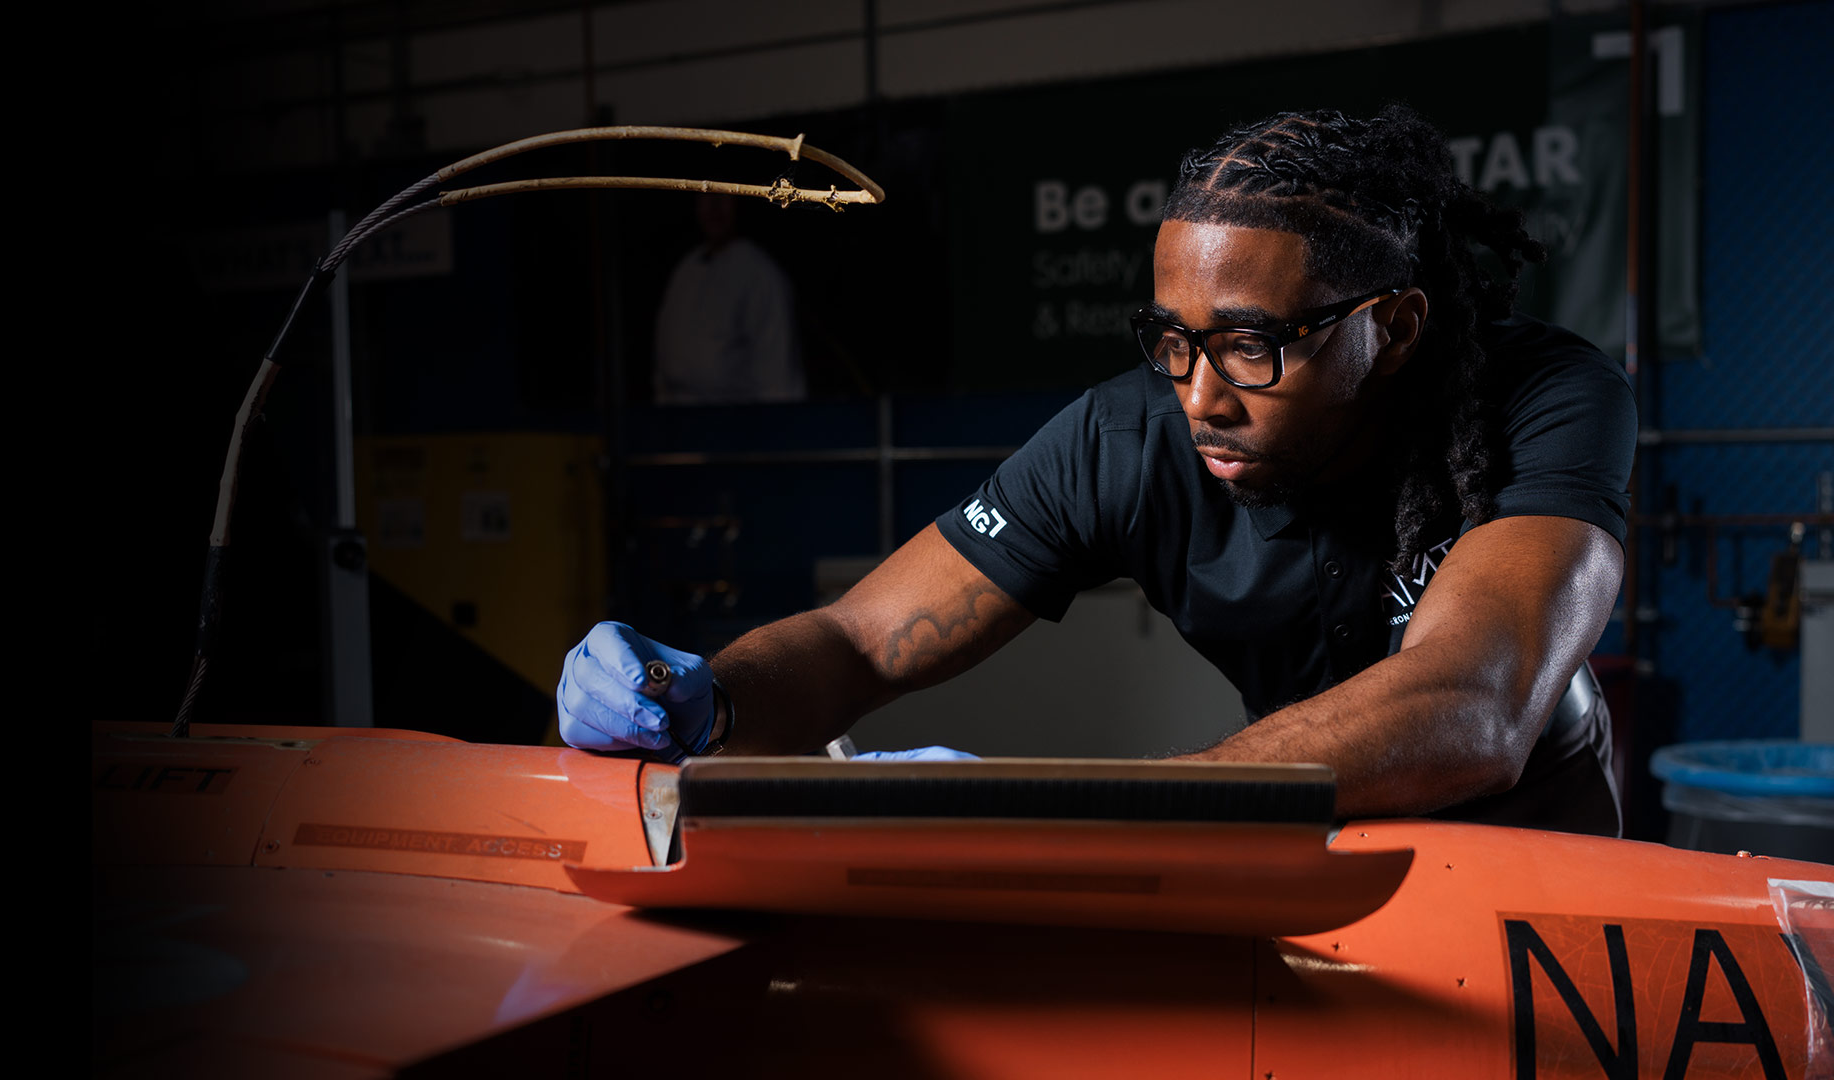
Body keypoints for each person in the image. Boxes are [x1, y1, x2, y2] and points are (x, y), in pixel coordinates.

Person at [560, 106, 1635, 837]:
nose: (1201, 395)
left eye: (1253, 343)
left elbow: (1477, 703)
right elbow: (857, 641)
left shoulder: (1539, 397)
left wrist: (1082, 804)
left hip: (1538, 855)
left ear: (1392, 329)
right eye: (1170, 337)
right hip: (1317, 838)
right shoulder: (1127, 437)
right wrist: (708, 700)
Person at [652, 193, 805, 405]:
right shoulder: (687, 268)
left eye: (723, 199)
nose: (714, 209)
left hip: (737, 418)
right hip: (678, 417)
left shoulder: (758, 272)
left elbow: (778, 373)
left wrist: (778, 426)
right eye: (706, 198)